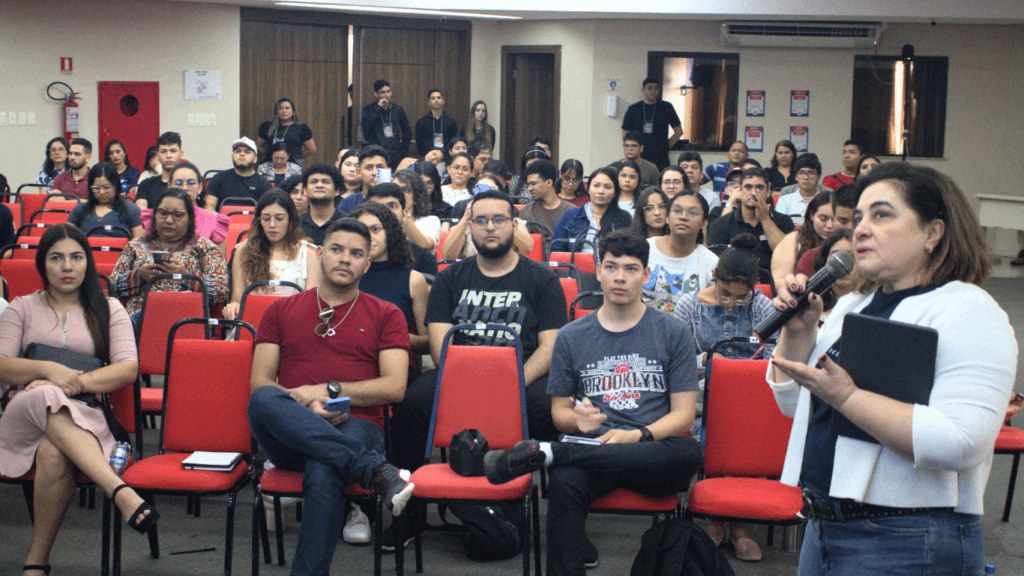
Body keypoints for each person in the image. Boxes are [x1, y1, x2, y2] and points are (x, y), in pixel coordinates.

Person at [768, 162, 1015, 576]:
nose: (860, 228)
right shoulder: (853, 304)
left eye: (882, 215)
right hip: (823, 525)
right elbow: (796, 409)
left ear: (933, 232)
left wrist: (849, 398)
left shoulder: (969, 310)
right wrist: (798, 334)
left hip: (908, 535)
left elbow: (961, 442)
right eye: (860, 217)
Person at [484, 229, 704, 576]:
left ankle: (556, 453)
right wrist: (577, 422)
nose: (619, 277)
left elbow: (683, 415)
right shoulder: (572, 336)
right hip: (594, 449)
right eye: (612, 267)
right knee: (565, 482)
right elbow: (559, 413)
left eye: (631, 269)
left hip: (651, 455)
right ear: (598, 271)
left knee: (689, 452)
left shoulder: (672, 332)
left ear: (646, 276)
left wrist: (639, 435)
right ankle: (562, 457)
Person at [389, 190, 566, 542]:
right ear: (469, 227)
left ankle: (565, 526)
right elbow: (440, 345)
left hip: (523, 377)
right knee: (409, 406)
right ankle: (409, 514)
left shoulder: (542, 279)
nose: (490, 228)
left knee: (558, 414)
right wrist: (469, 383)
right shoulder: (450, 278)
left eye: (499, 220)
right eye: (481, 221)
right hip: (459, 376)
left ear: (515, 226)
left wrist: (513, 382)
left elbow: (550, 346)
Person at [246, 218, 415, 575]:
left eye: (356, 254)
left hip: (358, 425)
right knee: (261, 400)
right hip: (290, 432)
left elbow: (394, 387)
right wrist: (305, 404)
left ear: (367, 263)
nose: (345, 259)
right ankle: (372, 469)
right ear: (320, 254)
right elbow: (261, 382)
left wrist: (327, 390)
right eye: (337, 250)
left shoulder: (387, 315)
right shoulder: (279, 310)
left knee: (324, 468)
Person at [0, 224, 155, 576]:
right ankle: (118, 490)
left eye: (75, 257)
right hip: (22, 420)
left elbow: (127, 369)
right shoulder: (21, 308)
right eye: (56, 258)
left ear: (87, 263)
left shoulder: (109, 308)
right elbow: (1, 365)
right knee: (43, 392)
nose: (67, 267)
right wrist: (47, 371)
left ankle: (36, 563)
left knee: (54, 453)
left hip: (87, 418)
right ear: (43, 265)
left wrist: (68, 382)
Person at [673, 232, 774, 562]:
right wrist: (710, 362)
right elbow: (679, 359)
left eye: (739, 298)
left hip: (751, 397)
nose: (731, 302)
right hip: (705, 396)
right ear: (714, 277)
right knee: (714, 433)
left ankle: (728, 522)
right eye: (725, 293)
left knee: (749, 431)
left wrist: (740, 371)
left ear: (754, 289)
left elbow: (774, 352)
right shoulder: (689, 305)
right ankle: (731, 523)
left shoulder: (761, 305)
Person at [111, 188, 229, 317]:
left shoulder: (205, 248)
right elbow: (112, 287)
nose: (169, 220)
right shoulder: (135, 246)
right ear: (154, 216)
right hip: (140, 320)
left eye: (178, 215)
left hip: (187, 321)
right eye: (162, 213)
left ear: (190, 218)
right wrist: (139, 276)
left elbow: (221, 291)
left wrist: (186, 276)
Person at [223, 190, 320, 320]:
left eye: (279, 219)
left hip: (294, 322)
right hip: (253, 321)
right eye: (266, 219)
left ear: (290, 219)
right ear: (259, 220)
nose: (272, 225)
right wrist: (232, 308)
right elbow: (237, 300)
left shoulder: (309, 254)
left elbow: (311, 304)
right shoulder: (244, 251)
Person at [349, 202, 429, 357]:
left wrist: (389, 334)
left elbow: (427, 343)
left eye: (376, 229)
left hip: (394, 361)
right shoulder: (341, 274)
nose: (369, 236)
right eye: (362, 230)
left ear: (390, 233)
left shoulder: (413, 280)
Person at [643, 192, 718, 314]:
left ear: (704, 223)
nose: (683, 217)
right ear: (667, 217)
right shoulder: (645, 248)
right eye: (677, 211)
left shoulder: (710, 261)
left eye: (692, 213)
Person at [708, 167, 795, 269]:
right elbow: (715, 264)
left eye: (759, 187)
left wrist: (765, 219)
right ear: (740, 190)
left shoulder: (784, 221)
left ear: (768, 192)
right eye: (748, 187)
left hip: (773, 281)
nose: (753, 192)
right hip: (735, 280)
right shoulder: (721, 224)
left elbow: (787, 256)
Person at [140, 162, 230, 254]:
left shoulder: (214, 221)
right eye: (178, 183)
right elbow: (144, 253)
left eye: (191, 183)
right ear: (169, 187)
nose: (185, 188)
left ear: (200, 187)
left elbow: (220, 264)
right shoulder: (155, 217)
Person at [440, 175, 535, 262]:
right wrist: (466, 218)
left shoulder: (511, 219)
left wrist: (504, 215)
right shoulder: (467, 223)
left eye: (491, 191)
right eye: (481, 191)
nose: (487, 197)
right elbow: (448, 255)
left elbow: (528, 248)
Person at [551, 167, 632, 253]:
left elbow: (630, 251)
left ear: (615, 192)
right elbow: (556, 250)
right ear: (589, 189)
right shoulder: (570, 216)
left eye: (607, 187)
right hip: (576, 265)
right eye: (596, 186)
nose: (601, 191)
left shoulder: (624, 218)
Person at [771, 192, 834, 292]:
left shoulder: (848, 242)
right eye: (823, 219)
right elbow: (778, 281)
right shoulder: (794, 239)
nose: (830, 225)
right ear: (812, 215)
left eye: (835, 220)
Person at [795, 184, 858, 278]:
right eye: (843, 221)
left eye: (858, 221)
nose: (850, 227)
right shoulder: (812, 257)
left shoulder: (882, 258)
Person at [67, 163, 144, 239]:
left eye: (106, 187)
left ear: (116, 186)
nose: (101, 192)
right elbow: (68, 239)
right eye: (96, 188)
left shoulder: (132, 210)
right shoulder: (80, 209)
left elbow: (138, 243)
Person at [620, 78, 682, 170]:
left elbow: (679, 132)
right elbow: (625, 133)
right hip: (638, 157)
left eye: (656, 88)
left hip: (660, 158)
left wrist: (665, 146)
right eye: (650, 88)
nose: (653, 91)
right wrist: (632, 149)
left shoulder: (666, 107)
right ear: (643, 90)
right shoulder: (634, 109)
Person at [206, 137, 273, 209]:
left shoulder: (263, 183)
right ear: (232, 157)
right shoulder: (218, 178)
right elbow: (209, 207)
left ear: (255, 159)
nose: (242, 154)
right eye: (238, 151)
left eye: (247, 152)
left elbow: (267, 212)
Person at [519, 159, 575, 244]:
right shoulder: (526, 212)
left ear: (549, 183)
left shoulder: (572, 211)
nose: (529, 189)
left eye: (533, 184)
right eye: (528, 185)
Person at [361, 80, 412, 169]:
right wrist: (378, 108)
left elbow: (407, 131)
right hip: (376, 154)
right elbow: (366, 128)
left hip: (395, 155)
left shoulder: (397, 109)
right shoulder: (369, 109)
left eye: (388, 91)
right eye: (383, 92)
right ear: (376, 94)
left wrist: (402, 151)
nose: (386, 95)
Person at [256, 97, 316, 166]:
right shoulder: (267, 126)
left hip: (293, 164)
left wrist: (293, 156)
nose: (284, 111)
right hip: (271, 163)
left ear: (293, 111)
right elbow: (258, 146)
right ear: (276, 112)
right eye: (280, 108)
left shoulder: (301, 128)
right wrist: (270, 154)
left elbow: (312, 150)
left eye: (287, 108)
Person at [299, 163, 348, 246]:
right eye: (314, 182)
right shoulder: (294, 224)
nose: (319, 185)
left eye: (325, 182)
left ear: (337, 191)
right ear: (305, 191)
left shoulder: (349, 223)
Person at [776, 154, 832, 226]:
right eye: (801, 173)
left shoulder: (826, 200)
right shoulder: (785, 200)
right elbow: (779, 226)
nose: (806, 177)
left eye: (811, 173)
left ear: (818, 177)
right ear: (796, 176)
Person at [812, 229, 856, 317]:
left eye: (851, 256)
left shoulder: (870, 305)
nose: (842, 264)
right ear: (824, 261)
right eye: (836, 256)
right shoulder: (812, 303)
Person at [392, 169, 441, 250]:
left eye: (404, 190)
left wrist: (403, 215)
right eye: (395, 189)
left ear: (416, 196)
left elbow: (424, 246)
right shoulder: (383, 221)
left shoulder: (431, 221)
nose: (398, 194)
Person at [135, 132, 184, 210]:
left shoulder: (189, 184)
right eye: (163, 151)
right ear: (157, 156)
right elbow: (142, 216)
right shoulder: (146, 185)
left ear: (181, 154)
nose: (168, 156)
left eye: (173, 151)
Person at [338, 146, 390, 214]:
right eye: (369, 168)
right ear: (359, 172)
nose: (374, 173)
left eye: (380, 168)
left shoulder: (395, 201)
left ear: (388, 171)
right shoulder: (347, 203)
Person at [414, 89, 458, 158]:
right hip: (428, 158)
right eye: (433, 98)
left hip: (446, 158)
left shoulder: (451, 121)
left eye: (439, 98)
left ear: (443, 101)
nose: (436, 100)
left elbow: (453, 142)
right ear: (429, 102)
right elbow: (419, 144)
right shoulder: (422, 122)